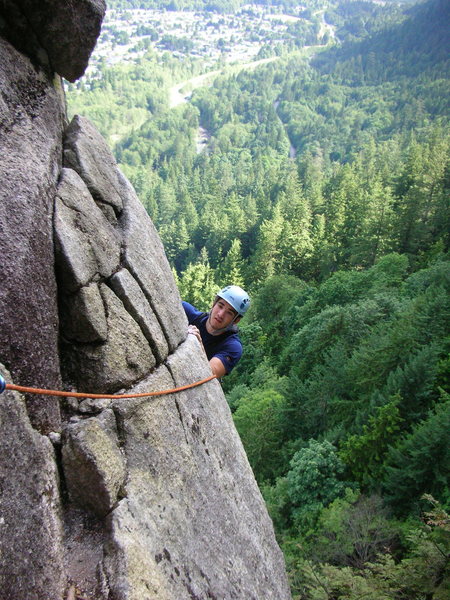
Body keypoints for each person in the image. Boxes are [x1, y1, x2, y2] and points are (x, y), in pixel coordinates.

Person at [182, 285, 250, 378]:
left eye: (229, 313)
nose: (221, 314)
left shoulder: (232, 347)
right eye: (220, 306)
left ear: (236, 320)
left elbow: (207, 374)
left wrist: (198, 345)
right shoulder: (187, 312)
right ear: (213, 304)